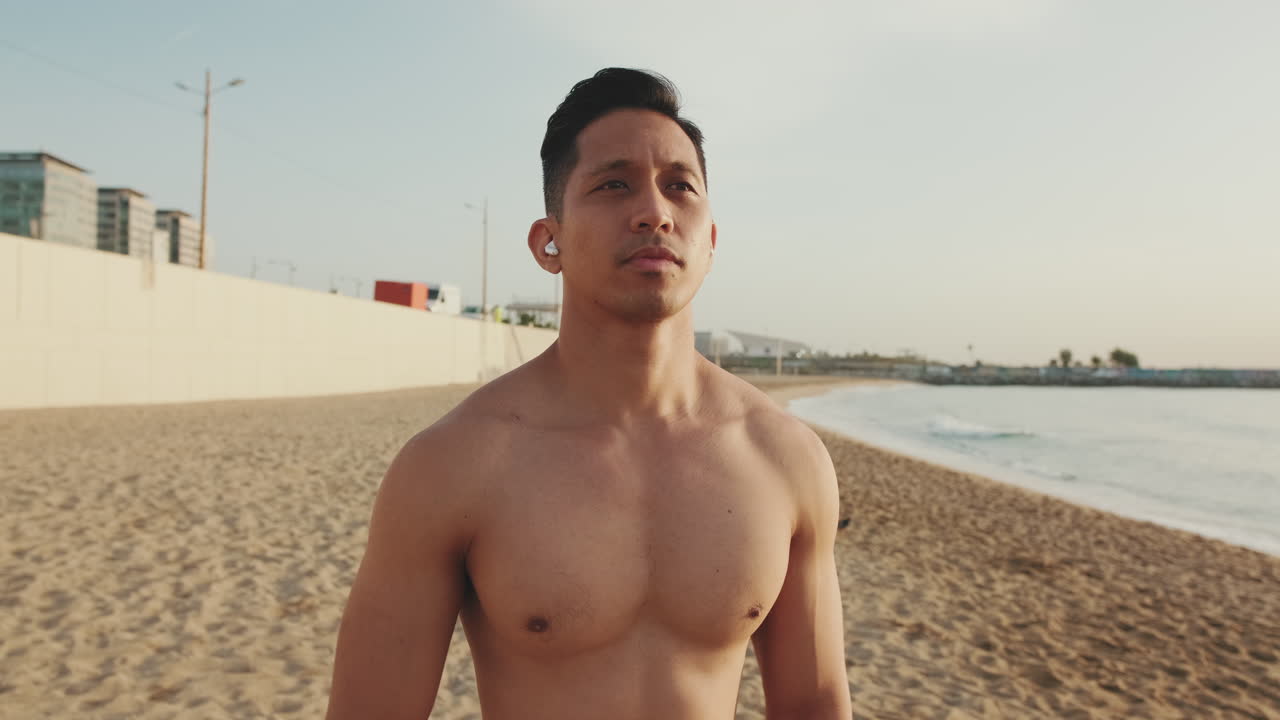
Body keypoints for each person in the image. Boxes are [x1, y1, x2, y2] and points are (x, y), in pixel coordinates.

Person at [325, 68, 851, 720]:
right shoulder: (452, 466)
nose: (655, 211)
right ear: (550, 243)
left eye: (680, 187)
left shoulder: (785, 457)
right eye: (613, 184)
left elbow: (815, 705)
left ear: (710, 242)